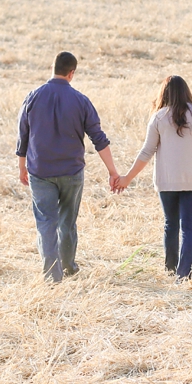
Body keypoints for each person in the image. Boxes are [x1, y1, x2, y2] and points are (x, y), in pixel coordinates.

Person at [16, 51, 120, 282]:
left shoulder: (32, 97)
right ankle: (69, 268)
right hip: (72, 172)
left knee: (45, 222)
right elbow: (99, 139)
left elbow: (23, 135)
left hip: (40, 171)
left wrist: (21, 165)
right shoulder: (81, 100)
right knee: (67, 222)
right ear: (71, 73)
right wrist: (113, 172)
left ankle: (52, 277)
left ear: (52, 68)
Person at [115, 75, 192, 282]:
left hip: (167, 182)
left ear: (164, 94)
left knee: (171, 224)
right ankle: (184, 275)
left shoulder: (159, 118)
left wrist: (127, 178)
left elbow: (146, 152)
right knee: (189, 228)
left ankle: (169, 268)